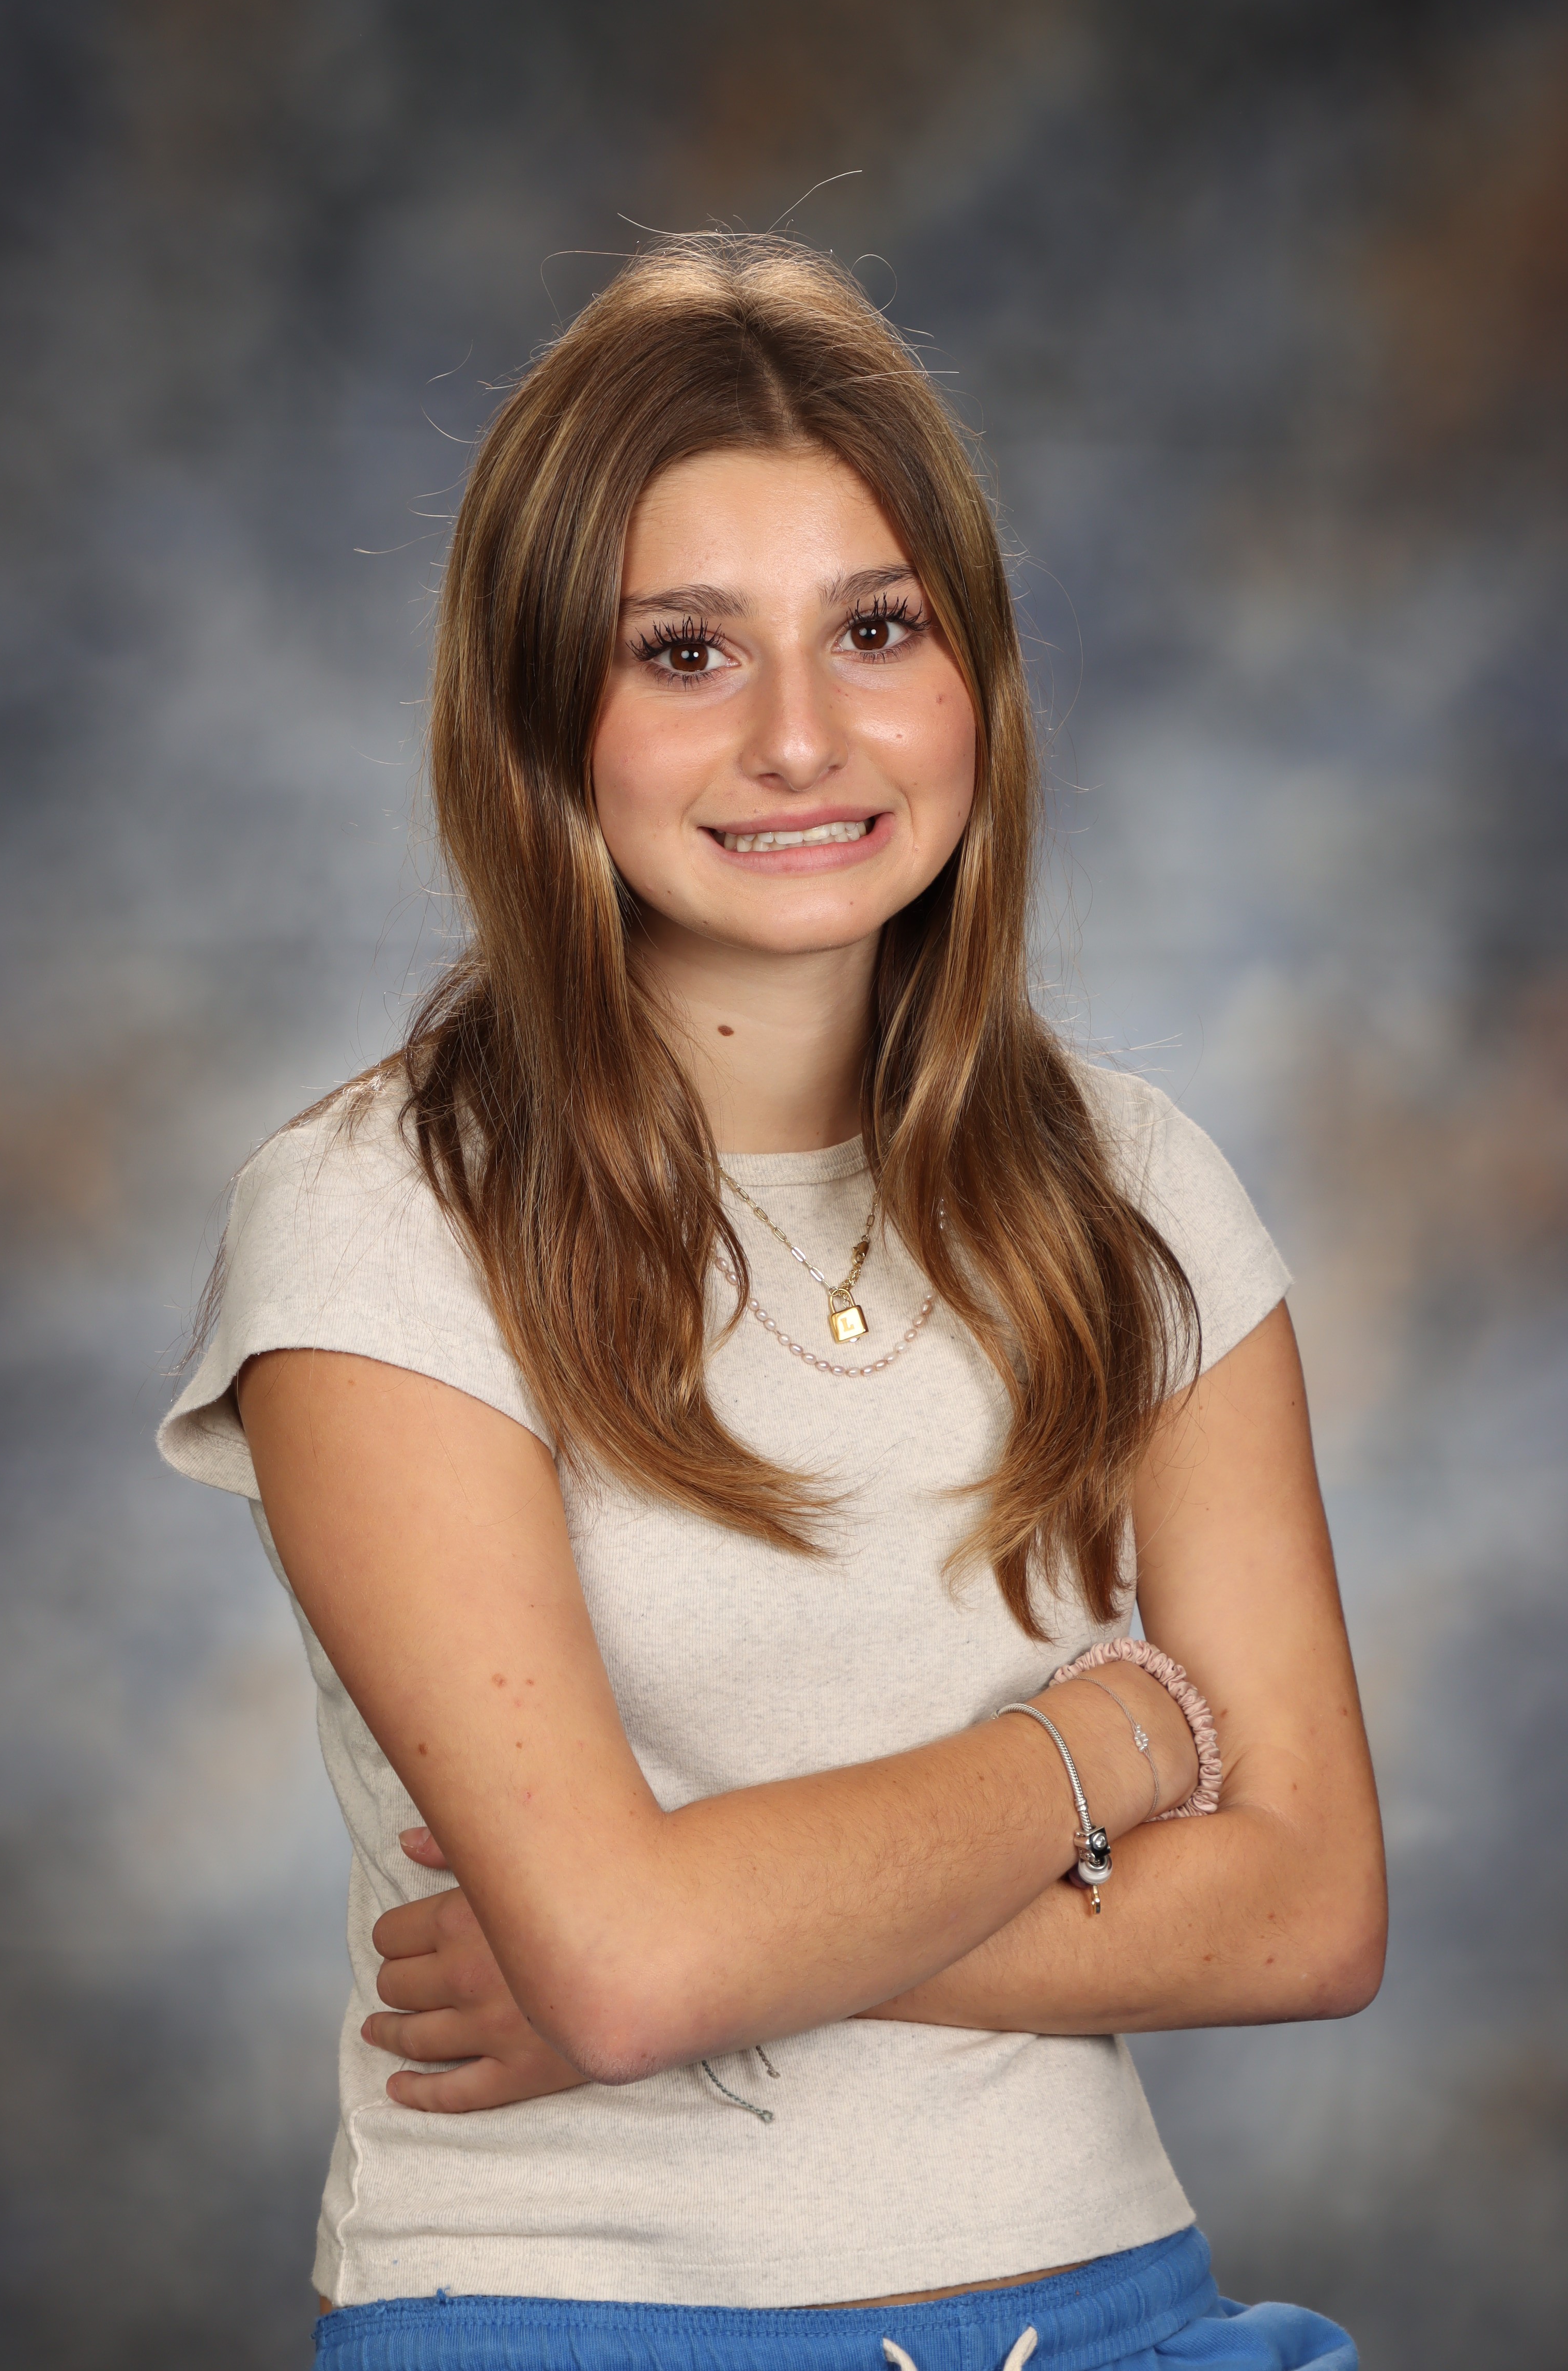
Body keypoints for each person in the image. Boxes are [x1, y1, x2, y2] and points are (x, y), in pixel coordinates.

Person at [161, 235, 1385, 2371]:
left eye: (875, 629)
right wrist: (1108, 1743)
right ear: (542, 716)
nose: (801, 738)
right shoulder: (377, 1219)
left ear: (976, 677)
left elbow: (1308, 1913)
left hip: (1116, 2313)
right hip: (574, 2321)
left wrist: (709, 1938)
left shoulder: (1139, 1189)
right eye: (685, 652)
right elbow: (627, 1968)